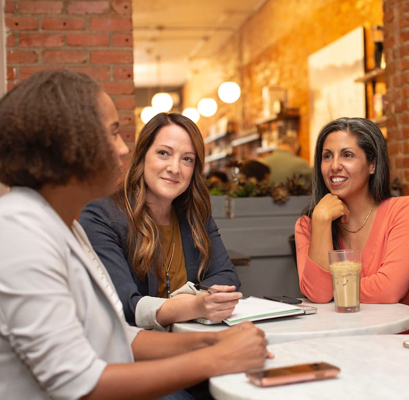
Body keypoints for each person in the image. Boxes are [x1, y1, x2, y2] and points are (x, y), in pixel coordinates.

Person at [0, 70, 269, 400]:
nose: (124, 150)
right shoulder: (18, 231)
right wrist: (215, 357)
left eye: (187, 159)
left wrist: (212, 341)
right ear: (68, 145)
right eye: (113, 134)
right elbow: (78, 384)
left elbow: (120, 337)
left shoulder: (62, 225)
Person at [79, 113, 241, 331]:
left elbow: (227, 278)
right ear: (142, 156)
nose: (175, 168)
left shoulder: (196, 213)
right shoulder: (101, 217)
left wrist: (190, 303)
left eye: (187, 159)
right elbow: (123, 303)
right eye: (163, 153)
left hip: (194, 342)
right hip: (136, 351)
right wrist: (193, 305)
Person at [295, 117, 409, 334]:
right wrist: (321, 221)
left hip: (405, 347)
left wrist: (334, 288)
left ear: (372, 164)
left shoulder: (406, 210)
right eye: (327, 156)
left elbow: (389, 290)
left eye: (347, 155)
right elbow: (319, 295)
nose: (334, 166)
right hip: (345, 345)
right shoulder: (309, 224)